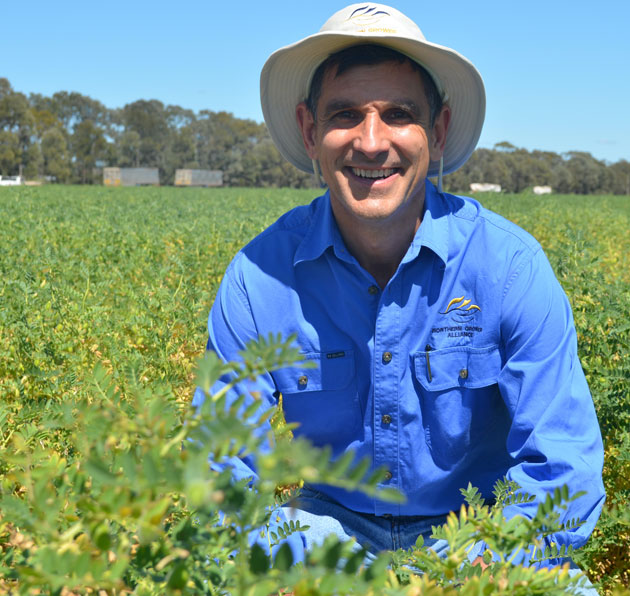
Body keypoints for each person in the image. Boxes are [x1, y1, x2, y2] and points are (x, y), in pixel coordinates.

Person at [194, 2, 605, 589]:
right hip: (323, 532)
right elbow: (221, 473)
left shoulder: (508, 267)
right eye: (345, 115)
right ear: (311, 132)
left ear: (435, 133)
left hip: (479, 531)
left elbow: (565, 465)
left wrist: (486, 560)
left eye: (397, 114)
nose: (370, 141)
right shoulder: (261, 279)